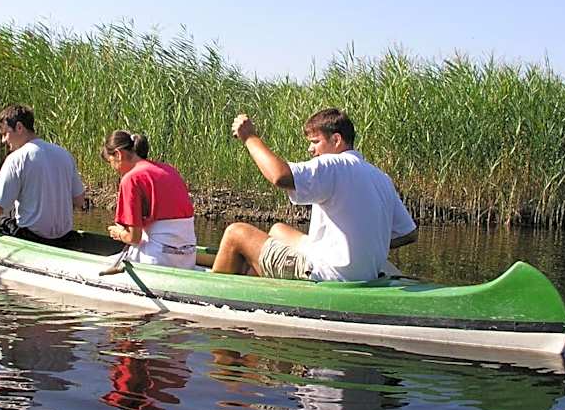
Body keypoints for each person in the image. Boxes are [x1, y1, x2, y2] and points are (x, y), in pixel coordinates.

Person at [211, 108, 417, 281]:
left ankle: (212, 296)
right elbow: (408, 233)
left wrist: (250, 137)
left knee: (235, 233)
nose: (310, 149)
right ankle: (253, 272)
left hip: (328, 274)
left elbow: (279, 177)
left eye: (315, 141)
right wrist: (364, 243)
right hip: (363, 272)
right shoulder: (380, 177)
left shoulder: (334, 164)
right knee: (278, 230)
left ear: (336, 140)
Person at [0, 104, 86, 245]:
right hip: (63, 238)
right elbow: (79, 200)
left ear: (19, 127)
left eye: (5, 133)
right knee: (8, 214)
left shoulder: (17, 158)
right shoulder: (64, 154)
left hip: (32, 237)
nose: (3, 140)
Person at [102, 130, 197, 269]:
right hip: (188, 258)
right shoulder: (169, 170)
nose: (113, 168)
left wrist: (119, 233)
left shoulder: (130, 179)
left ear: (118, 154)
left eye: (111, 162)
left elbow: (134, 238)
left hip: (159, 258)